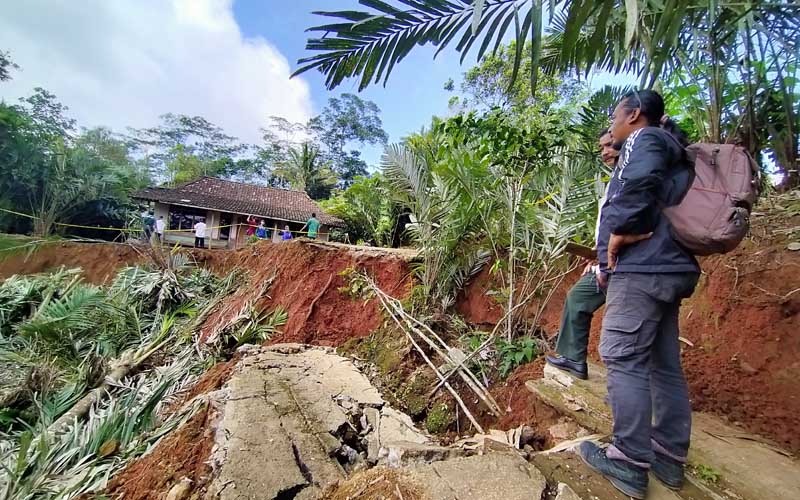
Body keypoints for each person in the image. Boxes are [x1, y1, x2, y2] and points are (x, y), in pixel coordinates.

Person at [577, 90, 699, 499]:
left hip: (644, 268)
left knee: (622, 356)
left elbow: (639, 182)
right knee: (663, 363)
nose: (611, 126)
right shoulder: (673, 146)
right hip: (669, 266)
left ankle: (628, 459)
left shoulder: (644, 140)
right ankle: (667, 454)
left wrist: (619, 233)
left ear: (633, 114)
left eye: (614, 117)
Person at [545, 129, 619, 379]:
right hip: (607, 261)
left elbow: (631, 223)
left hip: (622, 265)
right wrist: (598, 254)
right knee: (577, 298)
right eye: (601, 148)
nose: (605, 152)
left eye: (610, 145)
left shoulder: (634, 177)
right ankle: (573, 359)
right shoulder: (617, 179)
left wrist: (607, 259)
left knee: (626, 329)